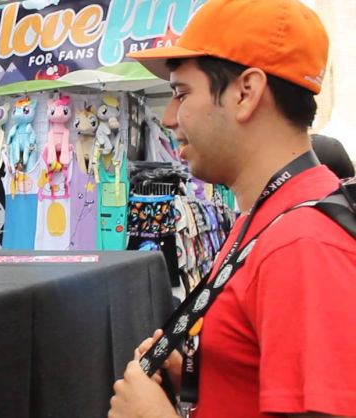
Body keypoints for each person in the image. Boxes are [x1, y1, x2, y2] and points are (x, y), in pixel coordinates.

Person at [109, 0, 356, 417]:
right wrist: (201, 376)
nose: (168, 117)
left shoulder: (301, 244)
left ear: (246, 93)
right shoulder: (268, 217)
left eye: (181, 94)